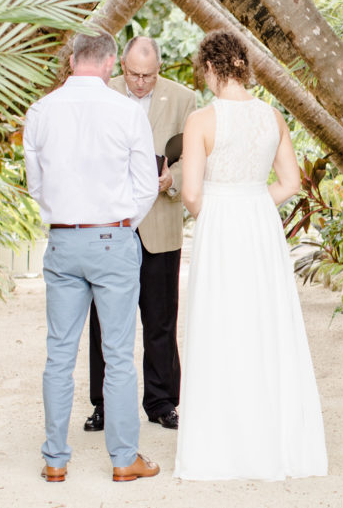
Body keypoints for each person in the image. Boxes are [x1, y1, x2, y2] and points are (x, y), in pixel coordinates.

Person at [175, 30, 328, 480]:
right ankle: (276, 442)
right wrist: (254, 204)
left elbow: (190, 193)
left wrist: (220, 211)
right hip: (261, 226)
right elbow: (291, 184)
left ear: (208, 68)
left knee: (219, 324)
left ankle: (223, 445)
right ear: (244, 65)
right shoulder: (272, 116)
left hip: (221, 226)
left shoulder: (201, 121)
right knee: (266, 324)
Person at [22, 29, 161, 483]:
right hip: (112, 240)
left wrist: (65, 217)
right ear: (108, 63)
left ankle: (55, 461)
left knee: (58, 354)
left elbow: (35, 185)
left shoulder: (40, 112)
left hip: (63, 240)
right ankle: (123, 460)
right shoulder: (125, 111)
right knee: (119, 354)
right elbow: (145, 184)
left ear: (72, 60)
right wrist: (120, 223)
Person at [84, 36, 196, 432]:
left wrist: (172, 179)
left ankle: (162, 402)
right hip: (110, 226)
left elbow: (196, 160)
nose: (140, 83)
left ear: (158, 71)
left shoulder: (183, 100)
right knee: (104, 320)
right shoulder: (102, 93)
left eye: (148, 76)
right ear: (121, 67)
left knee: (161, 319)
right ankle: (103, 403)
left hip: (160, 225)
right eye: (133, 74)